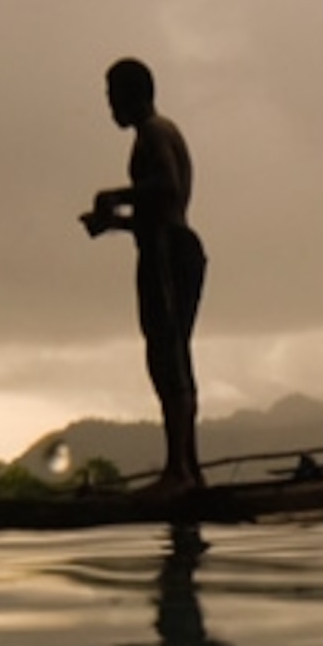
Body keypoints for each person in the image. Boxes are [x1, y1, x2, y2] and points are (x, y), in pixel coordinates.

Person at [79, 58, 206, 493]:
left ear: (133, 95)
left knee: (169, 357)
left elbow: (168, 189)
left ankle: (180, 472)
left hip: (170, 251)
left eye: (112, 97)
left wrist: (113, 195)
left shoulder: (154, 132)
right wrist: (112, 223)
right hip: (166, 245)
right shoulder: (154, 134)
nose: (109, 106)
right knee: (169, 356)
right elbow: (154, 213)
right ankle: (187, 467)